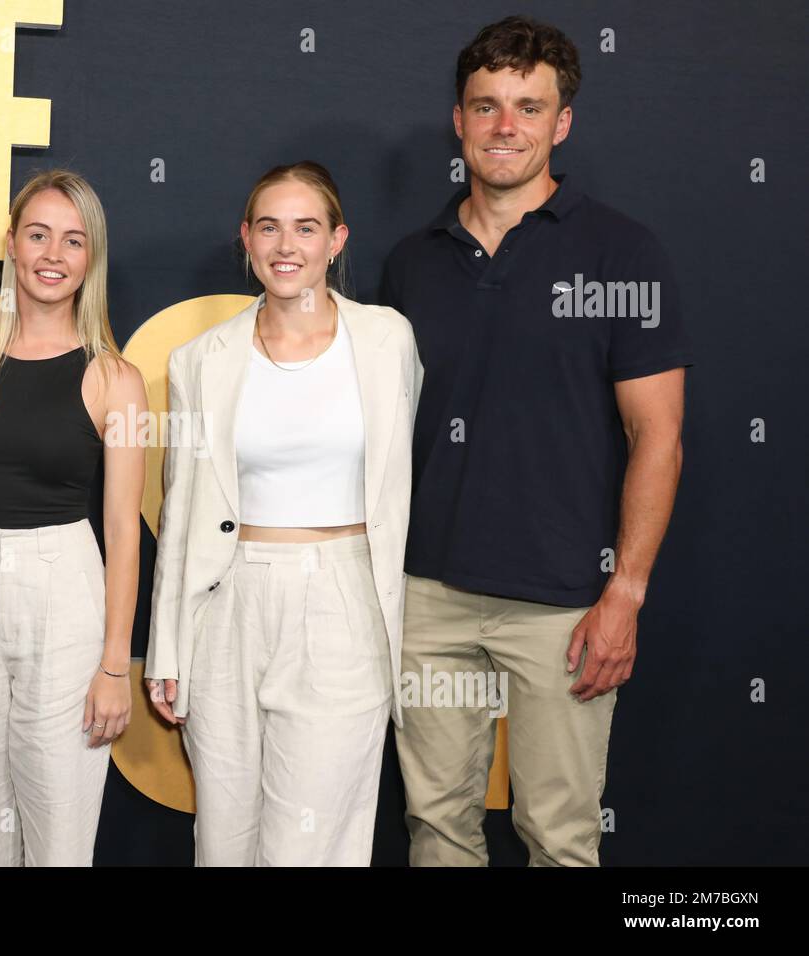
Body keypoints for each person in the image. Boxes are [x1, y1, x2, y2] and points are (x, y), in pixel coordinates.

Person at [379, 16, 692, 866]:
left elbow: (656, 435)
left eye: (527, 106)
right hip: (428, 599)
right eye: (486, 106)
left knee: (558, 837)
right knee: (437, 831)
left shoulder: (623, 253)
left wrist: (625, 592)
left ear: (562, 124)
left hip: (565, 604)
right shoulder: (412, 264)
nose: (504, 126)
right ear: (458, 120)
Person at [145, 161, 422, 866]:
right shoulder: (200, 359)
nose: (286, 244)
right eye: (268, 226)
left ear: (337, 240)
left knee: (311, 843)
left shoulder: (388, 341)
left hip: (342, 600)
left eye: (306, 227)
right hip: (228, 603)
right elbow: (182, 512)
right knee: (224, 840)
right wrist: (168, 645)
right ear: (246, 239)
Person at [0, 169, 148, 866]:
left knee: (58, 837)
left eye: (74, 240)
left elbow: (122, 532)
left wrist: (116, 665)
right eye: (39, 235)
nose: (54, 254)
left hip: (67, 596)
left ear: (92, 258)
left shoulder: (115, 378)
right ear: (12, 246)